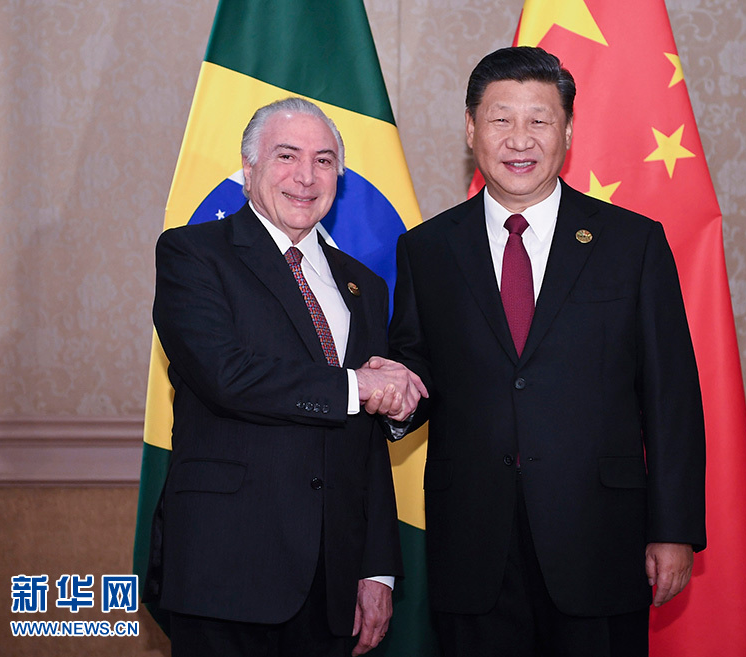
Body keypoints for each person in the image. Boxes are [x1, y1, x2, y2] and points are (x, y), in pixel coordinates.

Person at [386, 47, 706, 656]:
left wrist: (675, 529)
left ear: (568, 131)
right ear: (471, 129)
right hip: (472, 543)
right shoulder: (426, 250)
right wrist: (396, 395)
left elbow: (672, 397)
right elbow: (417, 368)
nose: (519, 139)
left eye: (539, 120)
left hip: (599, 538)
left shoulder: (631, 243)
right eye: (500, 119)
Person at [147, 97, 426, 657]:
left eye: (324, 161)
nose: (306, 176)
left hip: (332, 582)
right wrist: (357, 387)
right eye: (286, 155)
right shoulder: (193, 255)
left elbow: (366, 442)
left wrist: (376, 569)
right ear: (248, 169)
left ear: (339, 178)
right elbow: (227, 375)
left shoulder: (365, 286)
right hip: (225, 570)